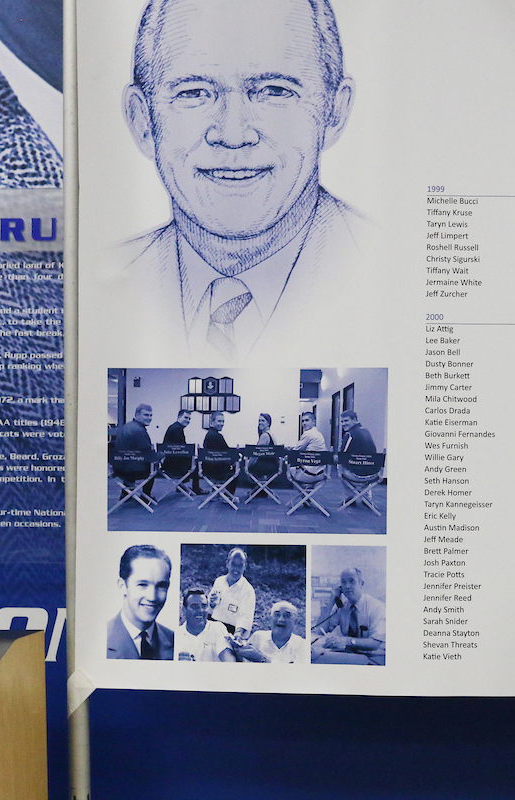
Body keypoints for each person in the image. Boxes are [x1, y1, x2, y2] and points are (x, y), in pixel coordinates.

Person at [115, 0, 365, 362]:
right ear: (142, 121)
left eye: (275, 91)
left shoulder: (395, 272)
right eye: (193, 93)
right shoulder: (103, 281)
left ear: (334, 112)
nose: (233, 133)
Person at [106, 544, 174, 660]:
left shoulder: (173, 640)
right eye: (142, 584)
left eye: (161, 586)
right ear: (122, 586)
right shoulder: (102, 639)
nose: (152, 597)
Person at [311, 567, 385, 661]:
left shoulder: (377, 607)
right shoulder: (342, 607)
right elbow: (320, 630)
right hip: (352, 655)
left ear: (361, 584)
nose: (347, 586)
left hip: (376, 657)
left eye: (352, 581)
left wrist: (346, 640)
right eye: (343, 582)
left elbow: (375, 643)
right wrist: (332, 601)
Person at [176, 585, 235, 662]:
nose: (201, 610)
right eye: (195, 606)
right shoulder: (176, 635)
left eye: (204, 606)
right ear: (184, 610)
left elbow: (228, 659)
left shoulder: (217, 628)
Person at [236, 601, 308, 664]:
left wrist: (261, 659)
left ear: (295, 622)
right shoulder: (257, 637)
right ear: (270, 618)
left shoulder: (302, 645)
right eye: (277, 614)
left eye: (287, 616)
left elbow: (297, 673)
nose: (281, 619)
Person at [209, 547, 255, 644]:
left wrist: (238, 633)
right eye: (233, 564)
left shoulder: (248, 590)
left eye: (240, 565)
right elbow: (209, 608)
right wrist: (211, 604)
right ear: (227, 564)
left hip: (231, 631)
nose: (236, 569)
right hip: (212, 626)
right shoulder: (219, 581)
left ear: (245, 566)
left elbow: (245, 617)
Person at [113, 403, 156, 501]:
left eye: (151, 415)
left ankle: (126, 495)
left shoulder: (126, 426)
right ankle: (146, 497)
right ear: (137, 415)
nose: (149, 418)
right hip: (131, 470)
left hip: (119, 468)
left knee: (131, 459)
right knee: (153, 469)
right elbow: (147, 452)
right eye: (146, 415)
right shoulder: (139, 431)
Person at [161, 408, 200, 495]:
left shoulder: (174, 427)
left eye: (189, 419)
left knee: (190, 459)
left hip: (169, 461)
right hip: (173, 465)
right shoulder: (177, 429)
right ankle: (196, 489)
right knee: (195, 462)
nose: (188, 420)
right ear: (179, 417)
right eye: (186, 417)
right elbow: (182, 449)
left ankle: (181, 486)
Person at [246, 412, 279, 499]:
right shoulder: (271, 434)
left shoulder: (265, 435)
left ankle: (258, 490)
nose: (260, 422)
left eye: (263, 421)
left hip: (267, 465)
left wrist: (248, 464)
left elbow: (256, 453)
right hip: (273, 464)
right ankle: (261, 491)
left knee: (248, 469)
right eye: (259, 420)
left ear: (268, 423)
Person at [338, 409, 378, 480]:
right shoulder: (366, 431)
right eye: (342, 421)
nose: (343, 424)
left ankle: (350, 491)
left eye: (346, 421)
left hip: (357, 474)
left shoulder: (349, 434)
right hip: (373, 473)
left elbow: (341, 455)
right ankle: (365, 490)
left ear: (354, 420)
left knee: (340, 463)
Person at [287, 411, 327, 482]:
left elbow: (295, 451)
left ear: (314, 422)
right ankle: (304, 491)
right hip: (320, 474)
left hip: (308, 475)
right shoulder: (319, 434)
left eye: (307, 420)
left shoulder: (308, 434)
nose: (304, 423)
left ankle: (303, 491)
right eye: (302, 421)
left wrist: (288, 452)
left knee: (285, 466)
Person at [200, 410, 235, 490]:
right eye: (219, 421)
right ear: (212, 422)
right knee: (235, 470)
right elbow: (227, 452)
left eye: (223, 421)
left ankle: (216, 492)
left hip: (207, 469)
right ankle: (228, 496)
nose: (222, 424)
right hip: (217, 471)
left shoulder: (208, 435)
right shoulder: (218, 436)